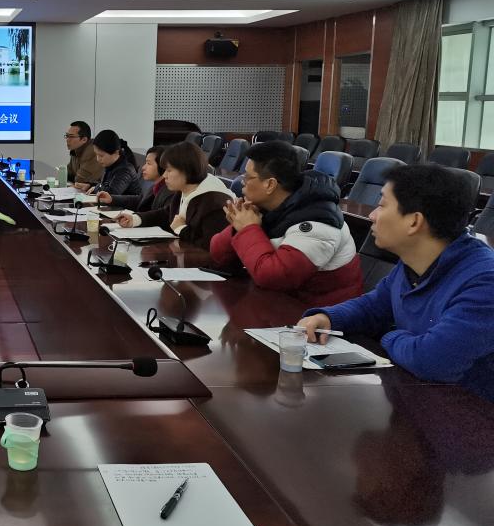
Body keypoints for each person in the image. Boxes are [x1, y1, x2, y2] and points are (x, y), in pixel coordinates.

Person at [297, 164, 494, 401]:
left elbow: (433, 361)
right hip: (419, 394)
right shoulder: (414, 261)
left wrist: (389, 336)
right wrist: (329, 318)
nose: (372, 215)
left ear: (414, 222)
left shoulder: (484, 280)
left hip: (471, 411)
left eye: (382, 205)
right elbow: (374, 306)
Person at [209, 140, 361, 305]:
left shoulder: (317, 222)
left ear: (270, 184)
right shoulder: (268, 206)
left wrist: (248, 228)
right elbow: (218, 255)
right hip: (281, 304)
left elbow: (273, 278)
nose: (242, 181)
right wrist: (237, 226)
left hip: (321, 313)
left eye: (248, 177)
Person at [117, 141, 234, 249]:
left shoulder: (214, 203)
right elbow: (165, 213)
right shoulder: (184, 190)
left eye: (169, 170)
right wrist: (135, 219)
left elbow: (209, 246)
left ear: (186, 170)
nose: (164, 175)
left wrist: (181, 229)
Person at [96, 145, 172, 213]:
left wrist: (137, 218)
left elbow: (160, 217)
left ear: (163, 166)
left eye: (148, 163)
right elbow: (139, 200)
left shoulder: (169, 193)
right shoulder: (155, 187)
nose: (143, 168)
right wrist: (112, 199)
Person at [84, 130, 141, 197]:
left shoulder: (125, 170)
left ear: (116, 152)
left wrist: (96, 188)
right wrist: (90, 185)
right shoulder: (111, 165)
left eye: (101, 155)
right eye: (96, 154)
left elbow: (111, 193)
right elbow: (105, 185)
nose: (98, 159)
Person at [65, 121, 101, 190]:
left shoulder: (93, 151)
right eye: (67, 136)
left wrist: (72, 177)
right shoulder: (75, 150)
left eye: (71, 136)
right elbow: (67, 174)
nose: (67, 140)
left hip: (100, 193)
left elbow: (80, 181)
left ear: (84, 139)